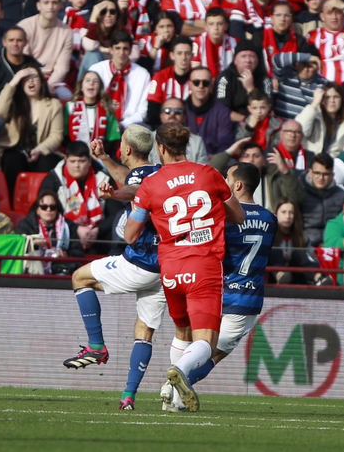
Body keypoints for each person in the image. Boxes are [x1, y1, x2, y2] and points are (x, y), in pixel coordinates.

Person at [124, 122, 243, 413]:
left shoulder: (151, 184)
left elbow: (130, 235)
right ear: (186, 146)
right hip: (203, 266)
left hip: (170, 269)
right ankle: (172, 380)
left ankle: (173, 404)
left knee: (182, 332)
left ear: (160, 148)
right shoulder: (209, 174)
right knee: (206, 341)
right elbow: (238, 216)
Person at [159, 161, 276, 410]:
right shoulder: (271, 219)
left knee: (195, 343)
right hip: (247, 300)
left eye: (226, 177)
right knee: (212, 356)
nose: (222, 180)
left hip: (217, 293)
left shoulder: (221, 214)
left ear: (238, 185)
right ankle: (174, 389)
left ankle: (174, 392)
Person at [63, 125, 166, 409]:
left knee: (79, 277)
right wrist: (104, 159)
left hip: (140, 261)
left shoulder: (138, 180)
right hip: (164, 267)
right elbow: (133, 178)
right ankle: (128, 395)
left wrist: (115, 195)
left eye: (121, 143)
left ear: (128, 149)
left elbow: (133, 187)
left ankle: (96, 346)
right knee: (144, 330)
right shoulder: (158, 170)